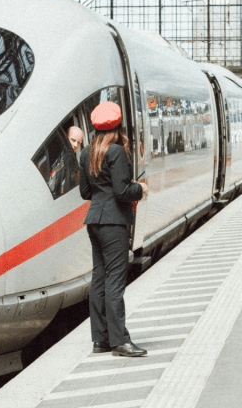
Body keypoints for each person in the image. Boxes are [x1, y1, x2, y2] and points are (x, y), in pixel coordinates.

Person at [79, 101, 148, 357]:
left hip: (94, 222)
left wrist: (102, 192)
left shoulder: (87, 153)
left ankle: (101, 339)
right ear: (118, 127)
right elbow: (122, 192)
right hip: (113, 222)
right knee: (115, 281)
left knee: (100, 278)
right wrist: (140, 189)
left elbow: (85, 192)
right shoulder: (117, 151)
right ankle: (120, 341)